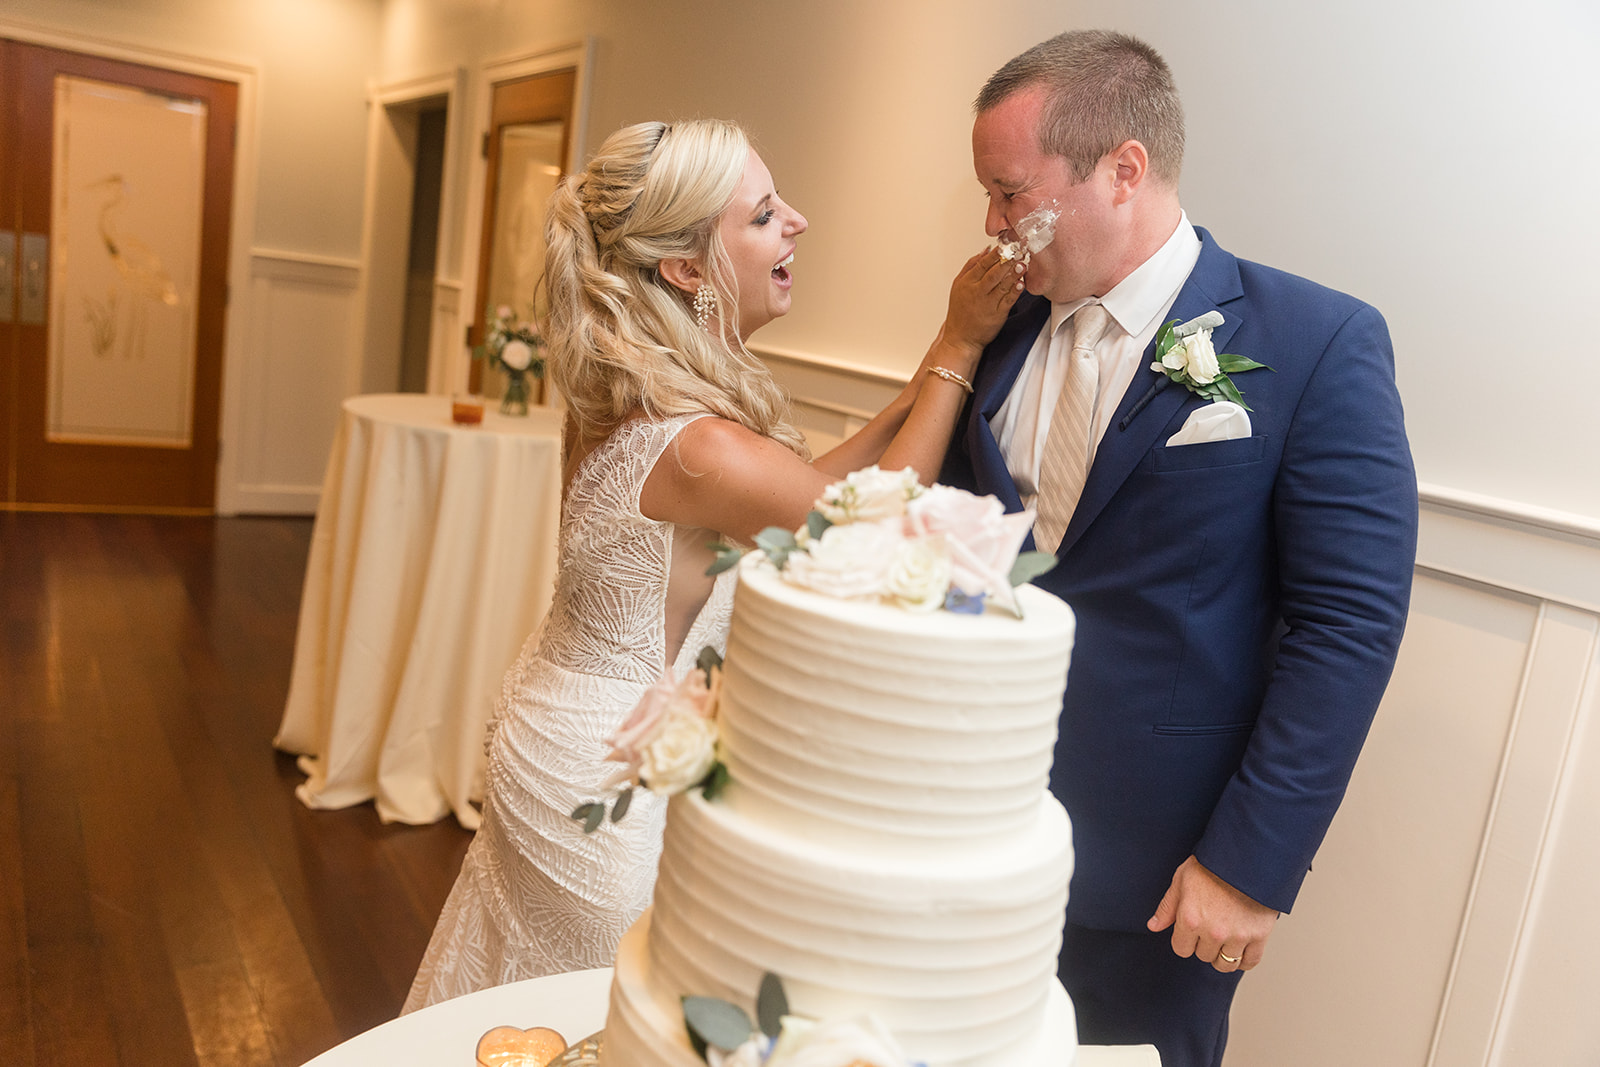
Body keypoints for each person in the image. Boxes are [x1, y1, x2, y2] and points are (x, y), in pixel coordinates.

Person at [404, 118, 1021, 1011]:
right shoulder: (698, 447)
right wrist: (961, 351)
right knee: (614, 1016)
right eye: (765, 215)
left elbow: (802, 486)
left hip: (567, 722)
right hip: (609, 784)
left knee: (533, 1009)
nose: (798, 222)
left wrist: (935, 355)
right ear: (688, 270)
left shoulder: (640, 390)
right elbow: (860, 524)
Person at [938, 30, 1418, 1066]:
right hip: (959, 835)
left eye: (1010, 192)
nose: (992, 223)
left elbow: (1346, 627)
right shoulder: (1000, 326)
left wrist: (1247, 866)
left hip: (1152, 879)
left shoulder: (1315, 343)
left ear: (1122, 169)